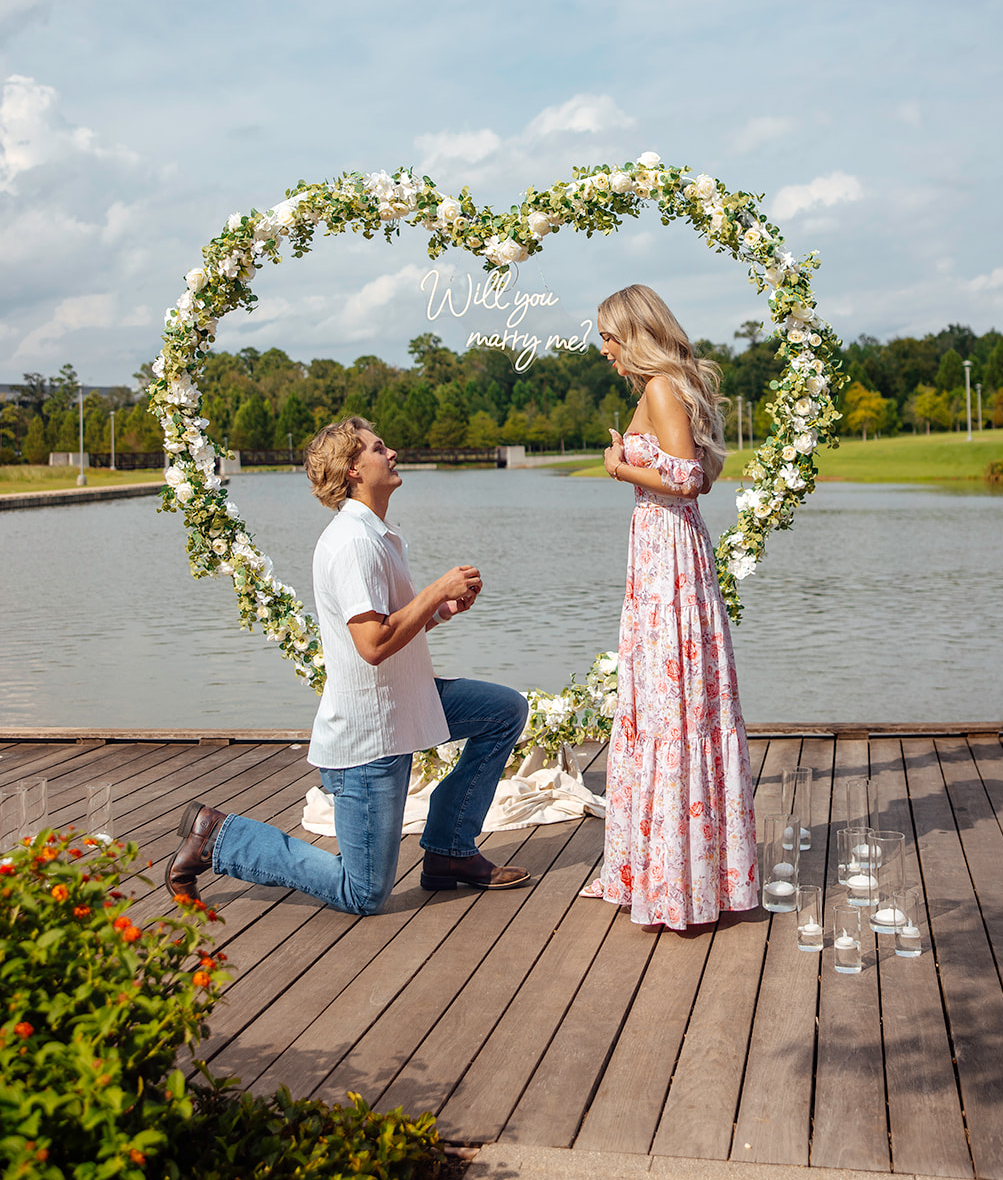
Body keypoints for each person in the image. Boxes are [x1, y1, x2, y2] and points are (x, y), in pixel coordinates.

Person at [166, 416, 529, 913]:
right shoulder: (354, 543)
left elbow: (388, 624)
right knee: (363, 893)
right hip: (370, 736)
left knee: (503, 711)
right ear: (354, 470)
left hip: (407, 703)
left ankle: (450, 850)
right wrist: (434, 591)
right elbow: (374, 644)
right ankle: (220, 837)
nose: (392, 453)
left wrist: (440, 611)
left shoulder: (375, 534)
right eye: (380, 449)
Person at [581, 284, 758, 930]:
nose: (602, 350)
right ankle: (667, 868)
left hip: (668, 560)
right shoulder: (665, 388)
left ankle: (678, 879)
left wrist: (618, 467)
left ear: (634, 333)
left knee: (669, 701)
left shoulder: (660, 387)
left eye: (607, 336)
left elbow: (686, 480)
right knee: (661, 701)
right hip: (660, 553)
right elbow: (705, 471)